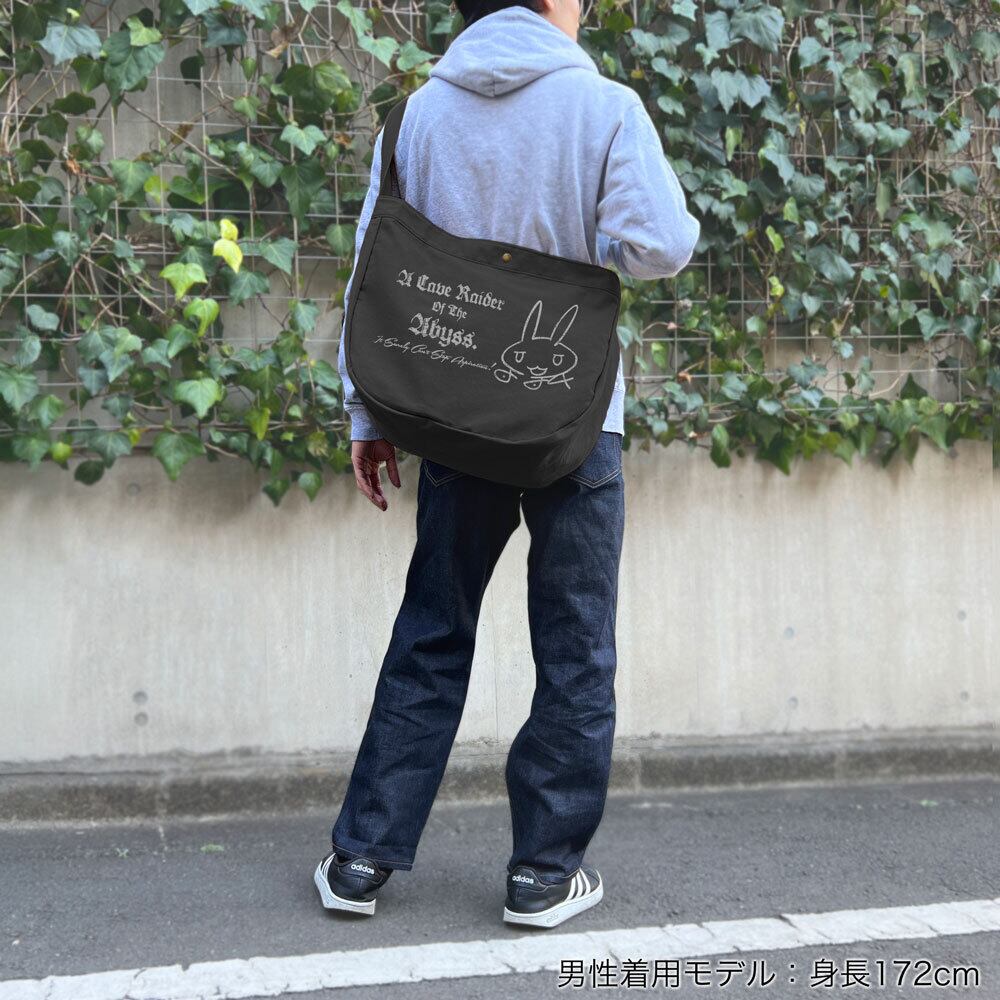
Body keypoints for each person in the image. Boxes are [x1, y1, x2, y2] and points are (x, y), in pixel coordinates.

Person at [313, 0, 700, 928]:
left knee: (433, 630)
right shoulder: (606, 109)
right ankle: (543, 875)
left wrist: (367, 411)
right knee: (575, 646)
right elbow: (661, 244)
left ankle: (361, 859)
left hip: (457, 423)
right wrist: (583, 238)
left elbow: (375, 271)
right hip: (575, 422)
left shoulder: (416, 116)